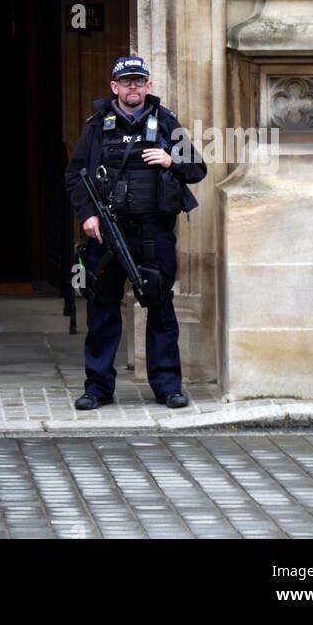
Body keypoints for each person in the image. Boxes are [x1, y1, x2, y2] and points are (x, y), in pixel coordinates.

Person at [64, 54, 206, 410]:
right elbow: (75, 176)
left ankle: (167, 386)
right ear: (114, 87)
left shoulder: (167, 122)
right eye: (126, 82)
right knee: (103, 310)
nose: (133, 87)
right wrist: (87, 216)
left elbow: (198, 169)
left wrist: (171, 160)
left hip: (153, 234)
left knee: (160, 308)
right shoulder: (97, 125)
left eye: (139, 81)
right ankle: (97, 388)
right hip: (107, 235)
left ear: (148, 86)